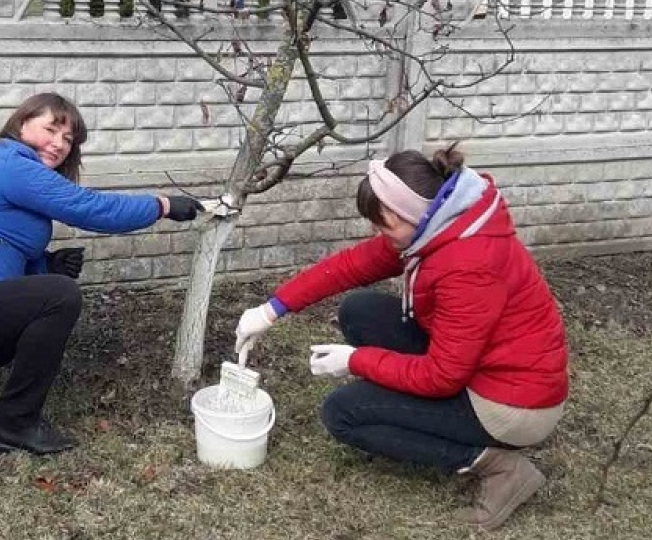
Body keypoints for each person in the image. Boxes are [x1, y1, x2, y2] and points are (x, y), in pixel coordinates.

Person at [233, 147, 567, 531]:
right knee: (360, 310)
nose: (378, 235)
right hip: (484, 367)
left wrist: (354, 361)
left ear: (416, 214)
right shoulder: (441, 225)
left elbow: (442, 377)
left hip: (512, 405)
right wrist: (271, 309)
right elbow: (352, 265)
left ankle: (501, 467)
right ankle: (403, 412)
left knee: (343, 413)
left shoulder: (469, 265)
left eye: (384, 225)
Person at [0, 92, 204, 456]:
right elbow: (88, 207)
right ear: (21, 125)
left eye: (68, 139)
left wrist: (46, 264)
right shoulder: (9, 163)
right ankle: (16, 425)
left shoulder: (7, 167)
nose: (59, 144)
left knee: (41, 298)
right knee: (59, 297)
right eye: (51, 130)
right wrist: (159, 205)